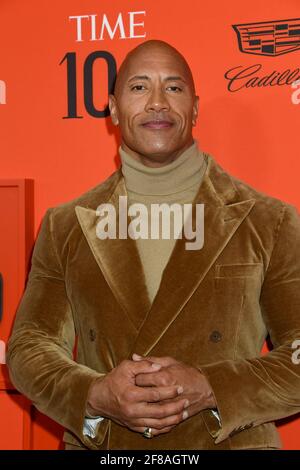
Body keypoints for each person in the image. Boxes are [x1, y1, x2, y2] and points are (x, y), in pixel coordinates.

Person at [6, 40, 300, 451]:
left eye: (174, 88)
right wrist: (94, 395)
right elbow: (28, 347)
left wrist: (212, 388)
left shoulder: (271, 221)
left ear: (195, 108)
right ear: (112, 107)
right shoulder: (66, 225)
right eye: (140, 88)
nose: (158, 103)